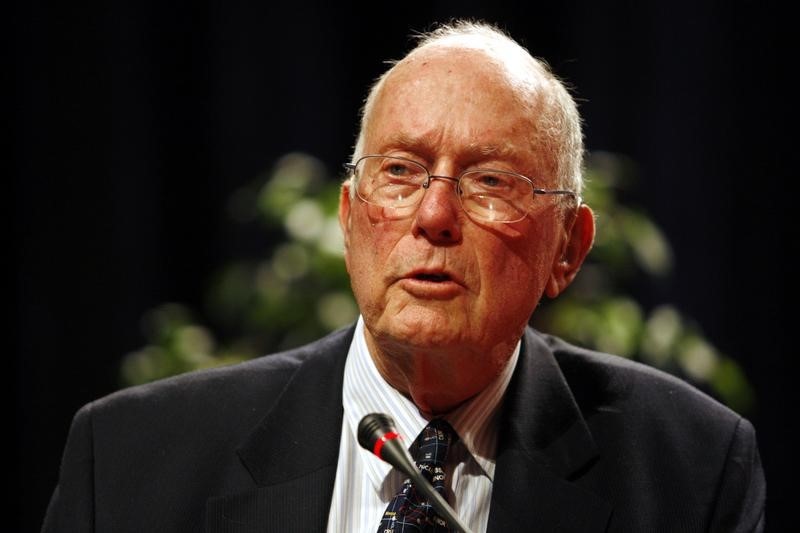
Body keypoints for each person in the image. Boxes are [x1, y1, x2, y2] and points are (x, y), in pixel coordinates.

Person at [42, 20, 765, 533]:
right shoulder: (133, 460)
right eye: (400, 172)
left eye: (489, 181)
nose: (436, 214)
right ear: (350, 215)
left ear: (568, 250)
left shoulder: (689, 472)